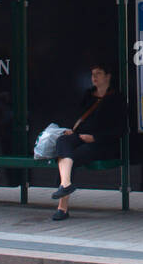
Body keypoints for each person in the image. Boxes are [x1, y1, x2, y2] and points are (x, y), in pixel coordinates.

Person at [50, 64, 126, 221]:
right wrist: (73, 130)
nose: (94, 77)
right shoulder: (88, 95)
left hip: (102, 143)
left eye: (98, 73)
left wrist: (96, 138)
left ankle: (62, 207)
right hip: (80, 136)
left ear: (108, 76)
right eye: (92, 74)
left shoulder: (116, 98)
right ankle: (65, 184)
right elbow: (78, 115)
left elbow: (120, 130)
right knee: (63, 142)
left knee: (71, 157)